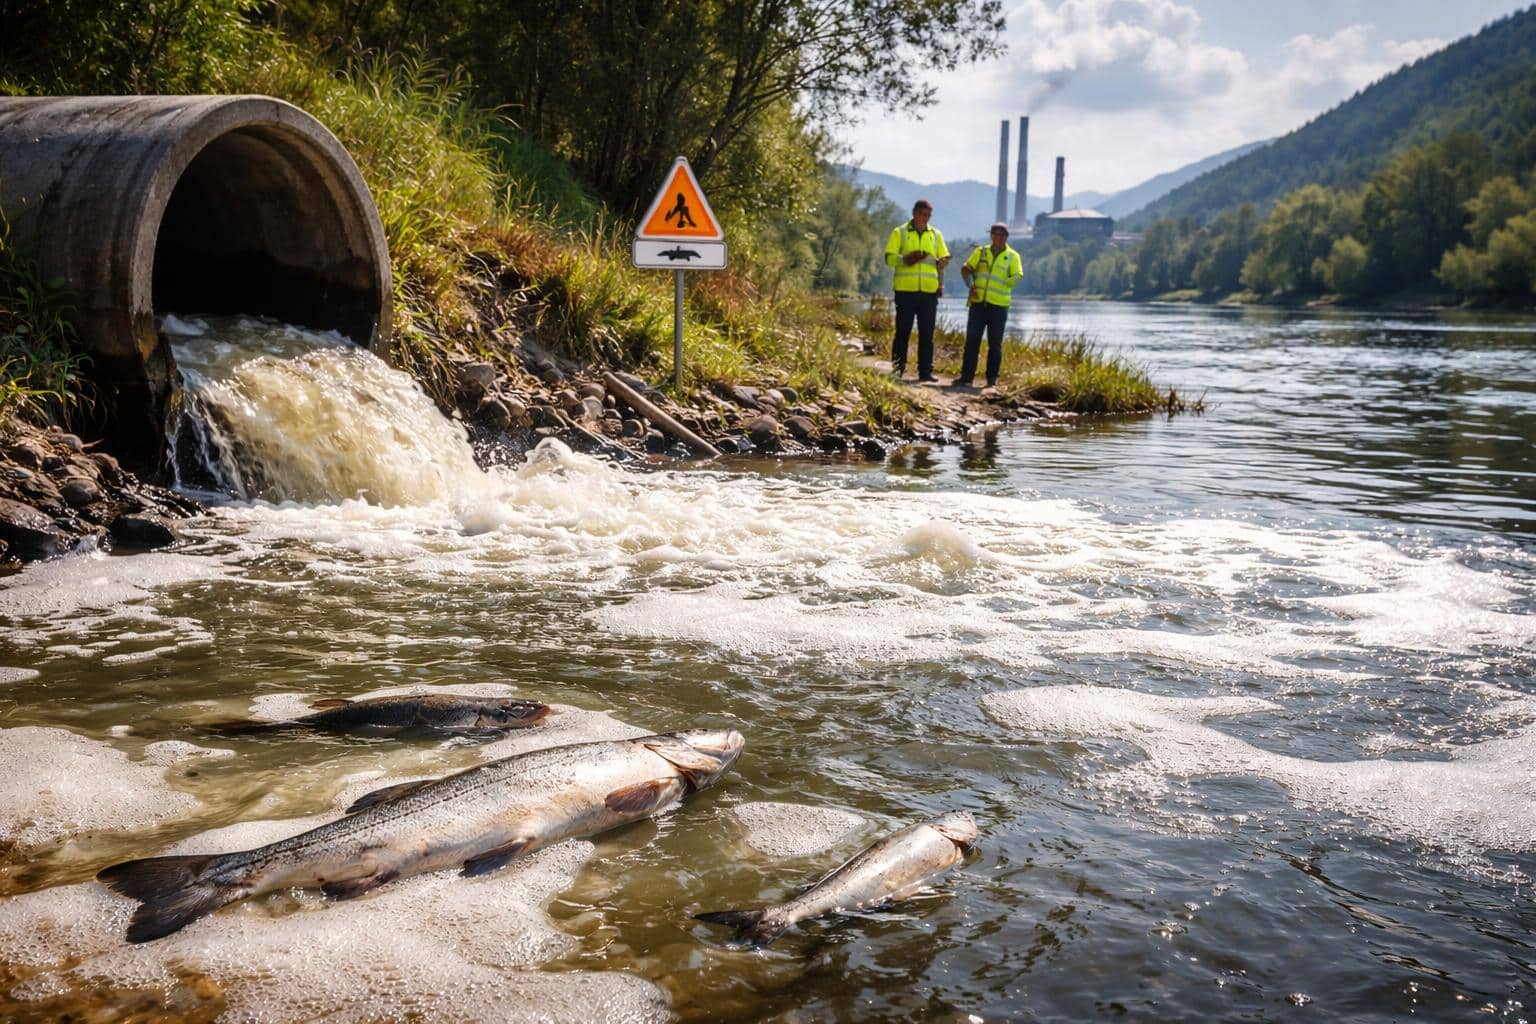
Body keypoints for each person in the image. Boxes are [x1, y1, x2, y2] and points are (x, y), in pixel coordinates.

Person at [883, 200, 950, 381]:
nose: (924, 218)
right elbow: (888, 259)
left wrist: (941, 279)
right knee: (902, 332)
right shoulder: (900, 232)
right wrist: (905, 259)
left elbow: (942, 261)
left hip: (928, 293)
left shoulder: (936, 235)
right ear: (914, 213)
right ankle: (898, 371)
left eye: (928, 215)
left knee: (927, 334)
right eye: (922, 214)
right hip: (905, 292)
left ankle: (925, 372)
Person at [957, 221, 1023, 388]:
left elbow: (1018, 275)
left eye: (1002, 235)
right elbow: (966, 269)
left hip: (999, 306)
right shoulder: (981, 251)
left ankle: (991, 380)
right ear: (991, 235)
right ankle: (966, 377)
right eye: (995, 234)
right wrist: (970, 284)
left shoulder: (1013, 256)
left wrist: (1006, 283)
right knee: (972, 341)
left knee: (995, 344)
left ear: (1006, 237)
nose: (998, 237)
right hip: (978, 303)